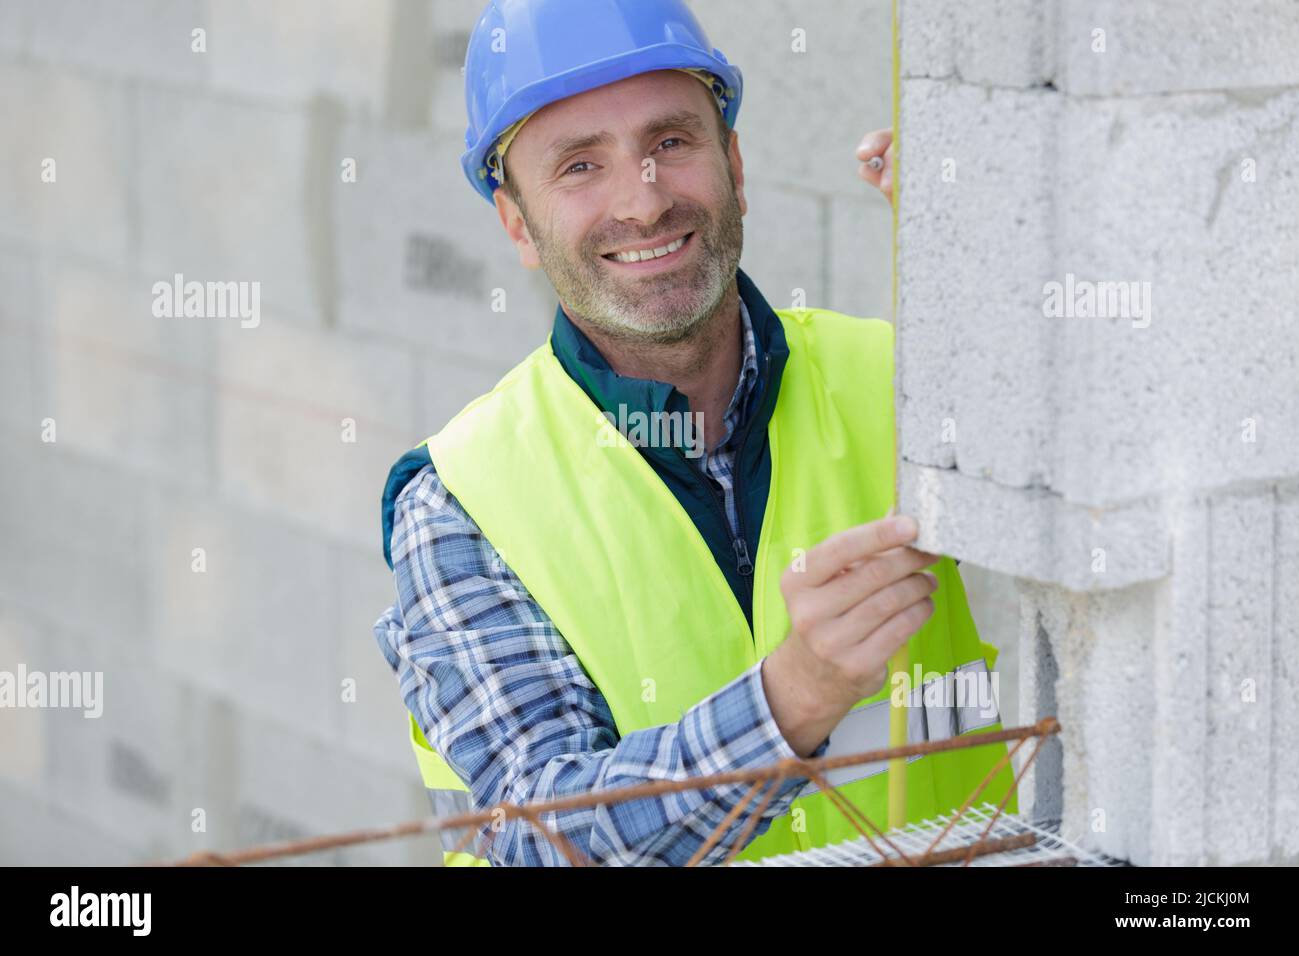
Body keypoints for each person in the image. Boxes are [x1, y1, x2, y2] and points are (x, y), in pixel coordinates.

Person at [373, 0, 1014, 866]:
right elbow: (542, 837)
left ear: (735, 164)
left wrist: (999, 264)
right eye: (579, 166)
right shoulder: (459, 505)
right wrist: (794, 699)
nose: (641, 202)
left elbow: (1124, 471)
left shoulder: (901, 381)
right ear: (517, 222)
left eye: (670, 142)